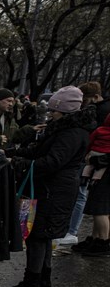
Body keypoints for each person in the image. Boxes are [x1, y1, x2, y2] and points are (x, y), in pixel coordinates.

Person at [4, 86, 90, 287]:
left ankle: (32, 282)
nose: (51, 113)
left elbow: (52, 161)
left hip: (53, 191)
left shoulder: (71, 133)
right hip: (52, 189)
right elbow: (40, 151)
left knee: (37, 235)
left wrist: (18, 162)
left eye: (54, 110)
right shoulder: (64, 129)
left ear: (65, 110)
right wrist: (13, 154)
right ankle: (42, 280)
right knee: (43, 236)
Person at [63, 81, 104, 245]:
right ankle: (89, 235)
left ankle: (72, 231)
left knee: (81, 194)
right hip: (92, 158)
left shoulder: (98, 112)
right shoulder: (100, 110)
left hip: (91, 159)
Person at [75, 111, 110, 256]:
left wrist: (94, 159)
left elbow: (88, 145)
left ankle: (102, 242)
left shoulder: (100, 131)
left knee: (100, 209)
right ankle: (96, 239)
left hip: (104, 173)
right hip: (104, 172)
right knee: (101, 209)